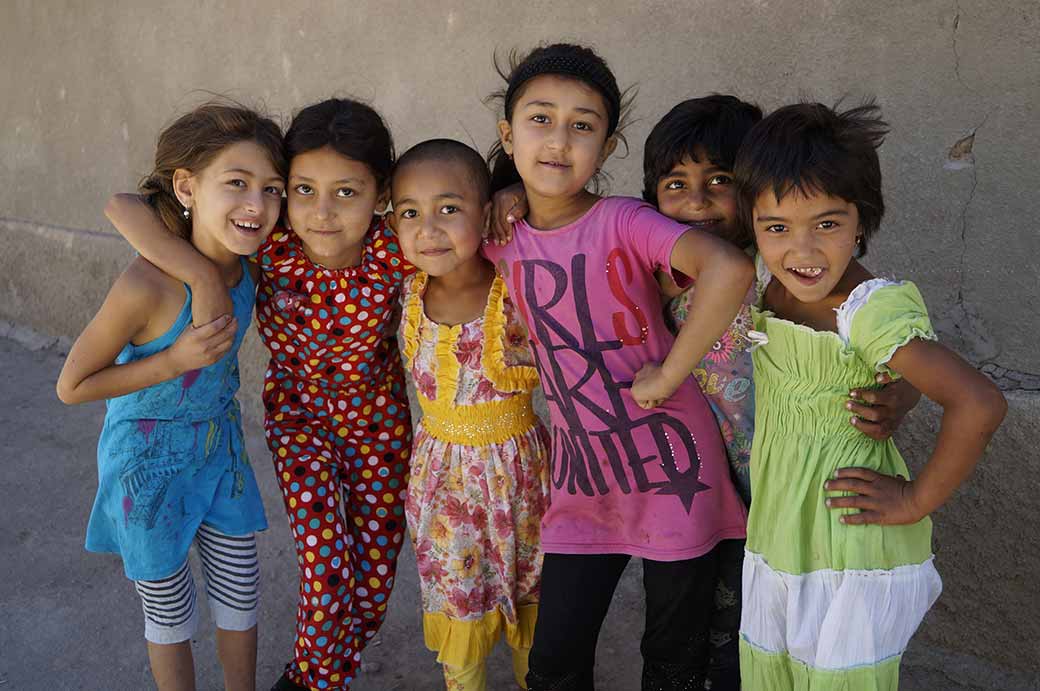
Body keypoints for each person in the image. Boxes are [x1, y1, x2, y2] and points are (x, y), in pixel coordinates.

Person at [105, 98, 414, 691]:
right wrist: (198, 275)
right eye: (302, 190)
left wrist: (503, 201)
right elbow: (123, 205)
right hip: (299, 424)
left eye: (347, 193)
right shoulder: (271, 247)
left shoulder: (393, 251)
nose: (321, 213)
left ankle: (318, 671)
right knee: (326, 570)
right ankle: (310, 683)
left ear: (381, 196)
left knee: (372, 586)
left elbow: (463, 230)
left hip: (380, 427)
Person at [482, 43, 754, 690]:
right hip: (583, 479)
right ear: (507, 134)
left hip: (675, 467)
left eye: (583, 125)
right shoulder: (499, 231)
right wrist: (498, 192)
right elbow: (426, 219)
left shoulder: (626, 221)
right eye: (540, 119)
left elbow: (730, 267)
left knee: (672, 662)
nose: (559, 139)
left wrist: (666, 374)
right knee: (553, 665)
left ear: (605, 149)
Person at [734, 101, 1007, 690]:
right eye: (777, 227)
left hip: (847, 534)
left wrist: (913, 501)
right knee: (775, 672)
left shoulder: (867, 309)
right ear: (753, 224)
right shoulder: (759, 277)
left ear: (863, 221)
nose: (801, 252)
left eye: (827, 224)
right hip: (782, 524)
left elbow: (979, 404)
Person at [57, 101, 287, 691]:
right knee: (169, 612)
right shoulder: (146, 283)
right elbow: (72, 385)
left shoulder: (248, 269)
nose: (257, 205)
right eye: (236, 183)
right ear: (187, 186)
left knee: (241, 591)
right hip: (147, 463)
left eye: (272, 188)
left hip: (219, 451)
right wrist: (172, 360)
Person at [390, 138, 550, 690]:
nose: (428, 229)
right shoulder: (406, 293)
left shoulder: (520, 279)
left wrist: (516, 195)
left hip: (522, 475)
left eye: (449, 209)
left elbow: (561, 216)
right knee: (458, 597)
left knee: (533, 589)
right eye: (410, 213)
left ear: (485, 215)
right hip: (440, 484)